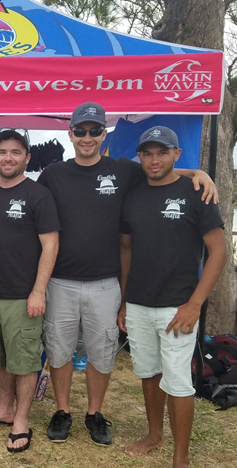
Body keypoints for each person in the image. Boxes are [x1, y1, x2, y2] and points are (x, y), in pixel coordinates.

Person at [0, 102, 218, 446]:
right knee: (59, 352)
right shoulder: (54, 174)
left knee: (101, 353)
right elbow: (20, 187)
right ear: (70, 134)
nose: (87, 137)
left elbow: (160, 170)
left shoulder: (123, 170)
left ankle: (94, 413)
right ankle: (62, 411)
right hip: (60, 282)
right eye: (80, 131)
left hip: (105, 283)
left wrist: (197, 174)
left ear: (104, 133)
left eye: (94, 131)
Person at [118, 126, 226, 468]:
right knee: (149, 372)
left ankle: (181, 457)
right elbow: (126, 249)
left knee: (178, 381)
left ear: (176, 155)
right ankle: (154, 435)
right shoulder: (133, 194)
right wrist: (124, 301)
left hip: (178, 306)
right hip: (138, 303)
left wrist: (195, 304)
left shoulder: (196, 192)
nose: (154, 160)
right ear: (139, 156)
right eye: (147, 153)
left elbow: (219, 251)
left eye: (162, 152)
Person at [0, 130, 60, 453]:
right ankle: (4, 408)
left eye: (15, 152)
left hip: (23, 296)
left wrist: (38, 291)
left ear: (27, 158)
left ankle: (21, 419)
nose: (8, 158)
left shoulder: (38, 195)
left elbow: (50, 245)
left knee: (23, 360)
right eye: (2, 152)